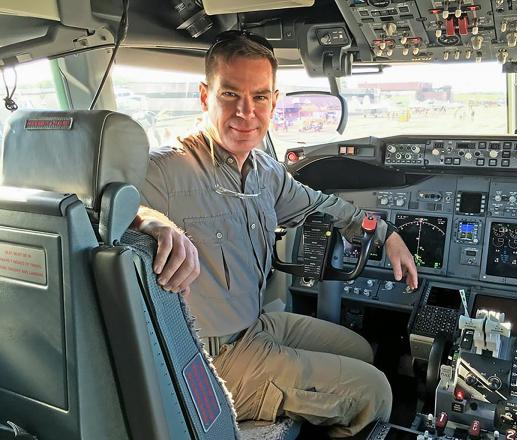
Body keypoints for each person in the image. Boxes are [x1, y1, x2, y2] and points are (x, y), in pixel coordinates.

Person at [133, 30, 418, 438]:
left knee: (360, 350)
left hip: (254, 327)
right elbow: (112, 211)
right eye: (230, 95)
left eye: (260, 97)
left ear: (274, 101)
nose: (246, 113)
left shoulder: (265, 172)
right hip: (209, 359)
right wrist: (150, 222)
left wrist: (386, 233)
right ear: (204, 97)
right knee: (373, 392)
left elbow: (322, 205)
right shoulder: (164, 169)